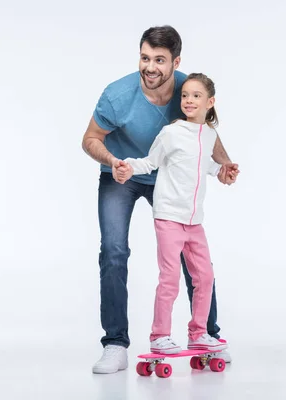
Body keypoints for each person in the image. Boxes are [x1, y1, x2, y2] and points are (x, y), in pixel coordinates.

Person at [81, 25, 239, 374]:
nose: (150, 67)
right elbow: (90, 138)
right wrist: (112, 162)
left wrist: (224, 164)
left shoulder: (188, 89)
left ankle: (207, 335)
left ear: (175, 62)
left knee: (193, 255)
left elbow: (206, 134)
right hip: (121, 174)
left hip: (168, 179)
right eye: (144, 58)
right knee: (114, 250)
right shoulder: (117, 95)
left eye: (159, 60)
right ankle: (115, 344)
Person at [113, 72, 236, 355]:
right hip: (168, 216)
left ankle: (199, 333)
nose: (189, 100)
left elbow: (204, 165)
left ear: (210, 102)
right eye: (185, 96)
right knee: (170, 278)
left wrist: (223, 172)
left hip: (195, 222)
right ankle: (159, 336)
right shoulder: (171, 133)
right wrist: (129, 167)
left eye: (196, 96)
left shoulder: (209, 135)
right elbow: (150, 162)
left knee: (204, 276)